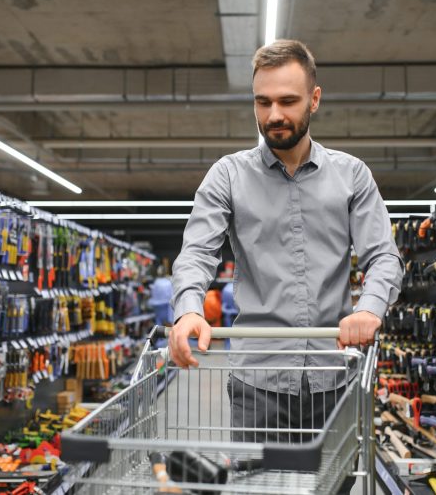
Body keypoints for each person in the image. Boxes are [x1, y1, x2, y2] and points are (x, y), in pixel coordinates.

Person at [170, 40, 403, 493]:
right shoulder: (228, 176)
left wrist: (369, 309)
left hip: (334, 379)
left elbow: (383, 256)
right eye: (263, 101)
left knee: (332, 487)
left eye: (288, 101)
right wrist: (188, 309)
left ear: (314, 99)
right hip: (258, 382)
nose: (274, 114)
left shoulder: (352, 175)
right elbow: (197, 252)